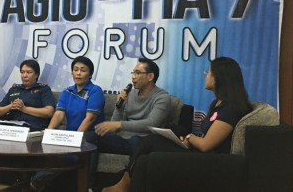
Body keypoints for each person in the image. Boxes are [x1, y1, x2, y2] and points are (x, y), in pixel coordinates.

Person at [102, 57, 253, 192]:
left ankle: (123, 185)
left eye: (208, 72)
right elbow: (207, 136)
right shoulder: (217, 104)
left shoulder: (230, 108)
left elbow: (206, 145)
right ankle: (125, 184)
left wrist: (189, 136)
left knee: (151, 141)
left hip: (211, 161)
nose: (205, 75)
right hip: (198, 151)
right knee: (143, 159)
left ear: (217, 78)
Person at [30, 56, 105, 191]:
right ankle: (38, 181)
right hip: (71, 135)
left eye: (83, 70)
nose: (78, 73)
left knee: (86, 142)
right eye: (75, 70)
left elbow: (90, 118)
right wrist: (48, 133)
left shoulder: (95, 91)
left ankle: (38, 181)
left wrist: (75, 138)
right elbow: (59, 114)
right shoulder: (67, 91)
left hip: (91, 134)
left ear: (90, 74)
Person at [0, 59, 56, 188]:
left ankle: (18, 179)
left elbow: (49, 112)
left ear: (36, 75)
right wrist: (11, 106)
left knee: (10, 135)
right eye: (22, 72)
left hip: (32, 127)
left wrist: (24, 109)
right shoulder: (14, 89)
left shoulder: (43, 90)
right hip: (12, 125)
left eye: (29, 72)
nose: (25, 75)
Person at [94, 58, 171, 156]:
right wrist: (119, 107)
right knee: (92, 137)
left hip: (145, 142)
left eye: (138, 73)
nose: (133, 77)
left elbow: (152, 123)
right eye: (133, 73)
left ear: (150, 76)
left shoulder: (162, 97)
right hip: (123, 140)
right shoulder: (130, 94)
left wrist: (120, 124)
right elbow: (114, 126)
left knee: (135, 141)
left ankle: (130, 169)